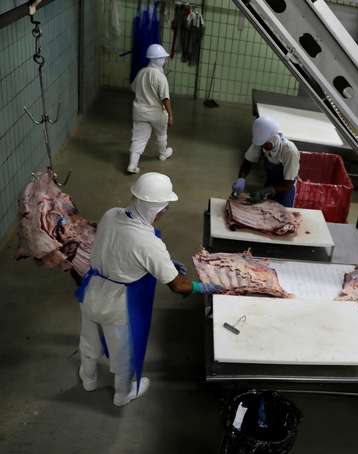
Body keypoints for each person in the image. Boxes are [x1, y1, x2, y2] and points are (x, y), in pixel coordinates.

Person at [75, 173, 221, 406]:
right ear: (158, 209)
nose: (164, 213)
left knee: (89, 339)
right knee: (123, 351)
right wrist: (203, 286)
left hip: (91, 291)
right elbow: (178, 286)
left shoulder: (110, 214)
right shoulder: (149, 243)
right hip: (118, 305)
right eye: (164, 208)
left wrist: (165, 263)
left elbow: (119, 248)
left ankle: (88, 378)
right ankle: (122, 394)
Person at [232, 116, 300, 208]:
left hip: (285, 188)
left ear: (274, 138)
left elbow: (287, 184)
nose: (263, 147)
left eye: (265, 144)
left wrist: (264, 192)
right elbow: (248, 161)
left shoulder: (289, 151)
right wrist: (241, 178)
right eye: (261, 145)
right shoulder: (260, 143)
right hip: (270, 182)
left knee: (283, 216)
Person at [127, 44, 174, 174]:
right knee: (161, 134)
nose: (165, 61)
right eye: (163, 59)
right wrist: (170, 115)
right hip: (157, 113)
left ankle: (132, 165)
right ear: (158, 60)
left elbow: (133, 88)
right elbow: (165, 99)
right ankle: (163, 153)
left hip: (140, 112)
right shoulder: (161, 77)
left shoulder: (141, 72)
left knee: (139, 138)